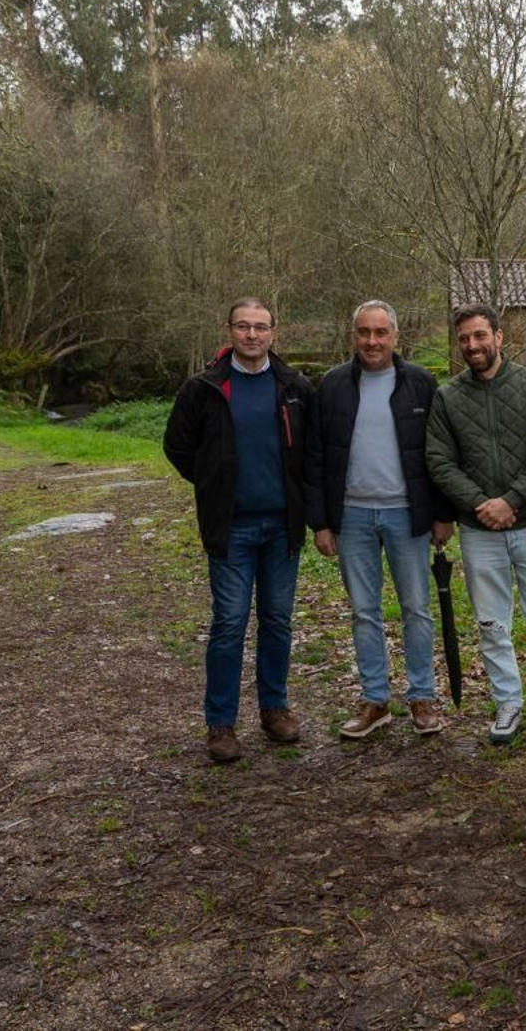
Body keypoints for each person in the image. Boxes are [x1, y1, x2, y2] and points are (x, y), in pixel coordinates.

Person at [163, 297, 314, 764]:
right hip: (232, 528)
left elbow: (309, 450)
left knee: (277, 620)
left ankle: (274, 709)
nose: (252, 335)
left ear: (274, 332)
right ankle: (221, 723)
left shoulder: (293, 387)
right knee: (229, 624)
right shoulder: (204, 388)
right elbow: (178, 447)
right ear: (229, 331)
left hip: (282, 527)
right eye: (243, 326)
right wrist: (215, 482)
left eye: (260, 327)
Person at [426, 303, 526, 744]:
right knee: (491, 622)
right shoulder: (447, 397)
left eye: (480, 335)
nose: (472, 345)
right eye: (464, 338)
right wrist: (481, 504)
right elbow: (439, 460)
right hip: (479, 530)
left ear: (498, 337)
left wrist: (511, 501)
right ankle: (508, 701)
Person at [305, 301, 454, 740]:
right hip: (351, 515)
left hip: (407, 514)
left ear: (395, 336)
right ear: (354, 335)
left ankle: (422, 696)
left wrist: (442, 515)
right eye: (364, 332)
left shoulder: (420, 383)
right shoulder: (332, 385)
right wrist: (320, 522)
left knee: (417, 608)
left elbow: (440, 453)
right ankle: (375, 699)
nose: (372, 341)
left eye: (380, 332)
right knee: (364, 611)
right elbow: (315, 456)